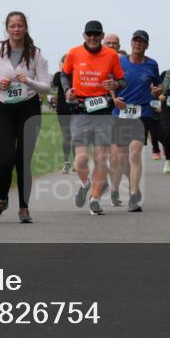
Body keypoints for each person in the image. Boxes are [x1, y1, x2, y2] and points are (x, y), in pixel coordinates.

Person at [0, 11, 51, 223]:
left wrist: (29, 81)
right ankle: (2, 200)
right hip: (3, 107)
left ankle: (24, 208)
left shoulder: (35, 54)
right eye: (12, 26)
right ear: (7, 28)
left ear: (25, 28)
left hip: (28, 109)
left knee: (23, 160)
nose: (16, 29)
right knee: (6, 158)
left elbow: (46, 86)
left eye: (20, 25)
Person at [62, 21, 126, 216]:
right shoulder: (74, 53)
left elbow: (122, 81)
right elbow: (64, 75)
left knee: (100, 158)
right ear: (83, 35)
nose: (92, 38)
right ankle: (85, 183)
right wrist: (67, 91)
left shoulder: (111, 55)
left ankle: (95, 199)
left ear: (101, 36)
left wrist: (115, 83)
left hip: (103, 112)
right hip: (81, 110)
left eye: (96, 35)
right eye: (89, 34)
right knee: (80, 160)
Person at [110, 30, 161, 212]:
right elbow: (110, 82)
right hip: (121, 112)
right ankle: (131, 187)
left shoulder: (152, 64)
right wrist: (114, 98)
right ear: (131, 43)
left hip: (142, 113)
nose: (138, 44)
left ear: (147, 45)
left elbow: (158, 85)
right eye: (135, 40)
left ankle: (133, 196)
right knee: (120, 157)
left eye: (142, 41)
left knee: (134, 153)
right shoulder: (119, 61)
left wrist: (157, 91)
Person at [101, 32, 127, 206]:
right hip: (99, 112)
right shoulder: (96, 61)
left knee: (116, 156)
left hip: (119, 114)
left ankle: (114, 191)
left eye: (114, 43)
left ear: (119, 46)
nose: (111, 45)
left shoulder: (124, 63)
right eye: (108, 42)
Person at [51, 56, 74, 173]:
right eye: (64, 62)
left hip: (76, 109)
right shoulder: (58, 75)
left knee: (76, 136)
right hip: (63, 110)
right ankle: (66, 162)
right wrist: (61, 70)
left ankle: (77, 162)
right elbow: (55, 82)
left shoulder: (77, 73)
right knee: (67, 136)